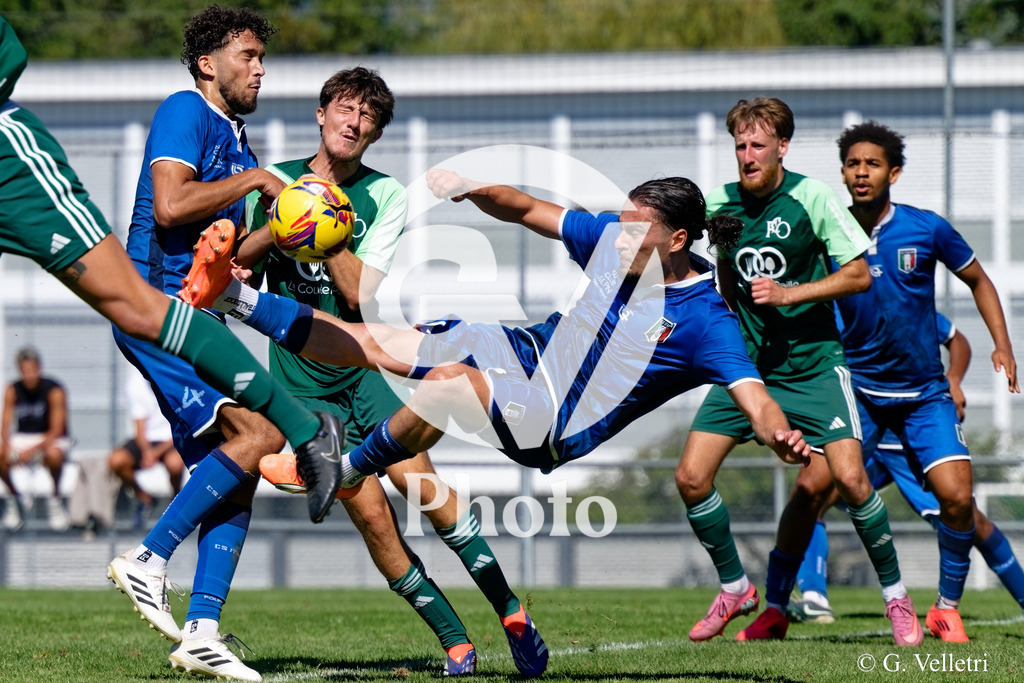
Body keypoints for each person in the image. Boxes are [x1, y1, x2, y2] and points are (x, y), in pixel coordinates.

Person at [189, 173, 814, 548]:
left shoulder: (706, 321)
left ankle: (346, 466)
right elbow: (525, 209)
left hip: (554, 419)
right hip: (526, 350)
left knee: (451, 383)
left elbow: (753, 396)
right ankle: (236, 296)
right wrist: (475, 188)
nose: (618, 237)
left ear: (677, 240)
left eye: (636, 231)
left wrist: (778, 432)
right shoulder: (612, 241)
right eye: (620, 224)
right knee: (383, 341)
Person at [233, 67, 543, 676]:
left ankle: (511, 613)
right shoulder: (275, 184)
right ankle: (455, 642)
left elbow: (362, 297)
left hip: (360, 367)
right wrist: (282, 218)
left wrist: (325, 226)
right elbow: (241, 262)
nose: (354, 122)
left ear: (374, 134)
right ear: (322, 114)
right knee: (373, 519)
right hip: (298, 380)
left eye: (368, 117)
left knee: (423, 489)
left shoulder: (386, 196)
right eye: (346, 109)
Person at [100, 7, 334, 682]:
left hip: (200, 320)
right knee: (261, 434)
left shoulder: (240, 145)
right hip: (155, 312)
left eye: (263, 58)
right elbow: (171, 207)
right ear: (209, 64)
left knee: (238, 468)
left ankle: (203, 629)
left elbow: (226, 253)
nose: (259, 68)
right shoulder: (185, 110)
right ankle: (147, 558)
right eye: (248, 56)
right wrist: (261, 186)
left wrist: (299, 222)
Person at [673, 97, 921, 646]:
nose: (747, 155)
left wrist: (791, 294)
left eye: (758, 145)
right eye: (739, 145)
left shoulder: (811, 197)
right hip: (748, 370)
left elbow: (858, 276)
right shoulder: (717, 204)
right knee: (690, 477)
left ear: (783, 147)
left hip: (814, 366)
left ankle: (898, 600)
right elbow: (684, 258)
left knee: (853, 481)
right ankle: (736, 587)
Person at [792, 120, 1019, 642]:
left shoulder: (926, 229)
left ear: (893, 172)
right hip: (857, 397)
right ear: (843, 173)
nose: (861, 172)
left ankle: (945, 607)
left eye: (872, 164)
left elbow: (978, 282)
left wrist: (1000, 346)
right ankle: (793, 601)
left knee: (961, 503)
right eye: (853, 164)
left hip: (922, 397)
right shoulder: (828, 234)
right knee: (810, 492)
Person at [791, 312, 1024, 625]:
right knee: (810, 496)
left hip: (907, 440)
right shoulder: (831, 305)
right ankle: (814, 599)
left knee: (968, 520)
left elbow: (957, 339)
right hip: (861, 437)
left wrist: (953, 380)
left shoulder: (897, 293)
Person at [0, 347, 71, 531]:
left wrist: (31, 452)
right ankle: (14, 498)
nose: (29, 375)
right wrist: (9, 448)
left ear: (39, 368)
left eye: (32, 370)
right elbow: (5, 428)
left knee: (54, 455)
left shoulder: (54, 390)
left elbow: (56, 430)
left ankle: (54, 499)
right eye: (25, 371)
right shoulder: (12, 389)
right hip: (23, 438)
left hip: (50, 439)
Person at [107, 367, 184, 529]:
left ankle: (177, 503)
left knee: (175, 464)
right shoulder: (136, 383)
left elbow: (183, 425)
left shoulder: (176, 380)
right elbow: (139, 425)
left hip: (173, 438)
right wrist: (147, 451)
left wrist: (156, 452)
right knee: (116, 460)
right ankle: (145, 499)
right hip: (147, 441)